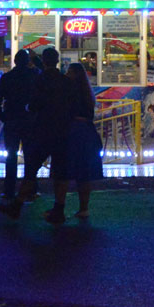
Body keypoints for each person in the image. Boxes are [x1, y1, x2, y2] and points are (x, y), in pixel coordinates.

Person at [0, 47, 76, 224]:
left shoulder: (39, 79)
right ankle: (59, 208)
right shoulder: (65, 81)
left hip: (43, 129)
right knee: (61, 172)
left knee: (32, 167)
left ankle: (17, 204)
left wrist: (26, 109)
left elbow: (33, 104)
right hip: (62, 130)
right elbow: (72, 104)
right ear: (57, 60)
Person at [0, 48, 40, 202]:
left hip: (12, 119)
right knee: (30, 157)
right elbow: (44, 72)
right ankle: (30, 189)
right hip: (29, 120)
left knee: (11, 156)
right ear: (28, 61)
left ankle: (9, 190)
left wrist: (4, 117)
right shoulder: (34, 75)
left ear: (15, 61)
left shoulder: (7, 77)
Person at [65, 63, 104, 218]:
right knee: (84, 172)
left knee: (65, 170)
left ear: (75, 74)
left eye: (69, 72)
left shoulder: (70, 92)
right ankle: (84, 207)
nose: (67, 75)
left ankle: (60, 206)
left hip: (73, 132)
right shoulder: (88, 94)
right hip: (88, 132)